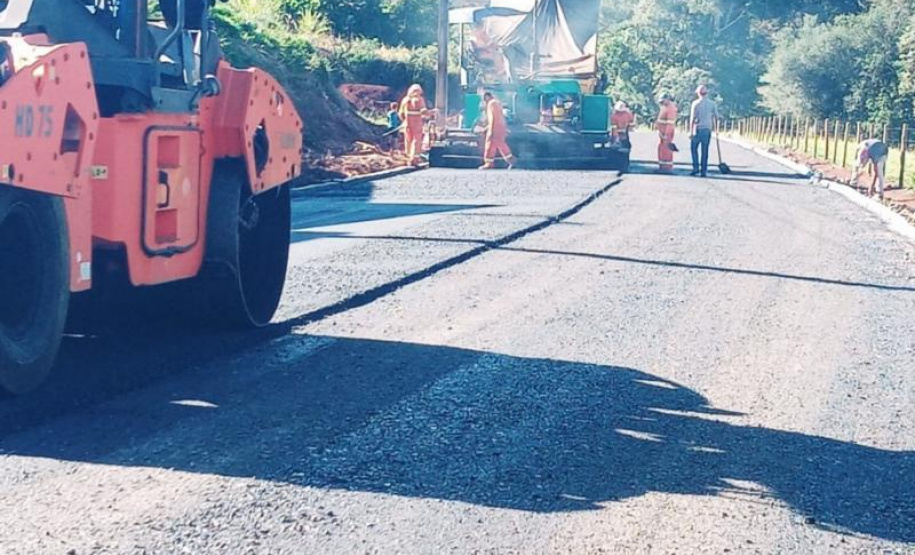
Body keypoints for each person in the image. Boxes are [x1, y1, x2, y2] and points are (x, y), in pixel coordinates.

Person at [479, 91, 516, 170]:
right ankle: (511, 161)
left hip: (495, 128)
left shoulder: (491, 104)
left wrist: (491, 130)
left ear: (487, 96)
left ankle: (489, 163)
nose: (484, 101)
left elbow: (493, 118)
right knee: (500, 144)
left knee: (490, 145)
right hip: (499, 128)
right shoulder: (496, 103)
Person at [689, 85, 719, 177]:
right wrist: (716, 129)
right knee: (705, 151)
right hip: (707, 129)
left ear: (698, 93)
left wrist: (690, 132)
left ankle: (695, 168)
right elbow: (716, 117)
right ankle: (703, 170)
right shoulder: (712, 104)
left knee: (694, 149)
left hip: (697, 129)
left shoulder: (695, 103)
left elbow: (692, 118)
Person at [399, 84, 429, 166]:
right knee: (416, 140)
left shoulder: (405, 100)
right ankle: (414, 159)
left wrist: (404, 120)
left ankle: (407, 157)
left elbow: (401, 113)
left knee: (408, 140)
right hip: (417, 122)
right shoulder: (419, 99)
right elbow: (423, 111)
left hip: (407, 123)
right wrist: (432, 112)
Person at [656, 93, 678, 172]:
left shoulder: (670, 108)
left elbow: (670, 124)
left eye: (663, 101)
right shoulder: (665, 107)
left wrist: (666, 134)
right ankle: (662, 166)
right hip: (663, 134)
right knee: (662, 149)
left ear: (667, 99)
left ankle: (667, 167)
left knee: (666, 150)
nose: (661, 103)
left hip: (667, 134)